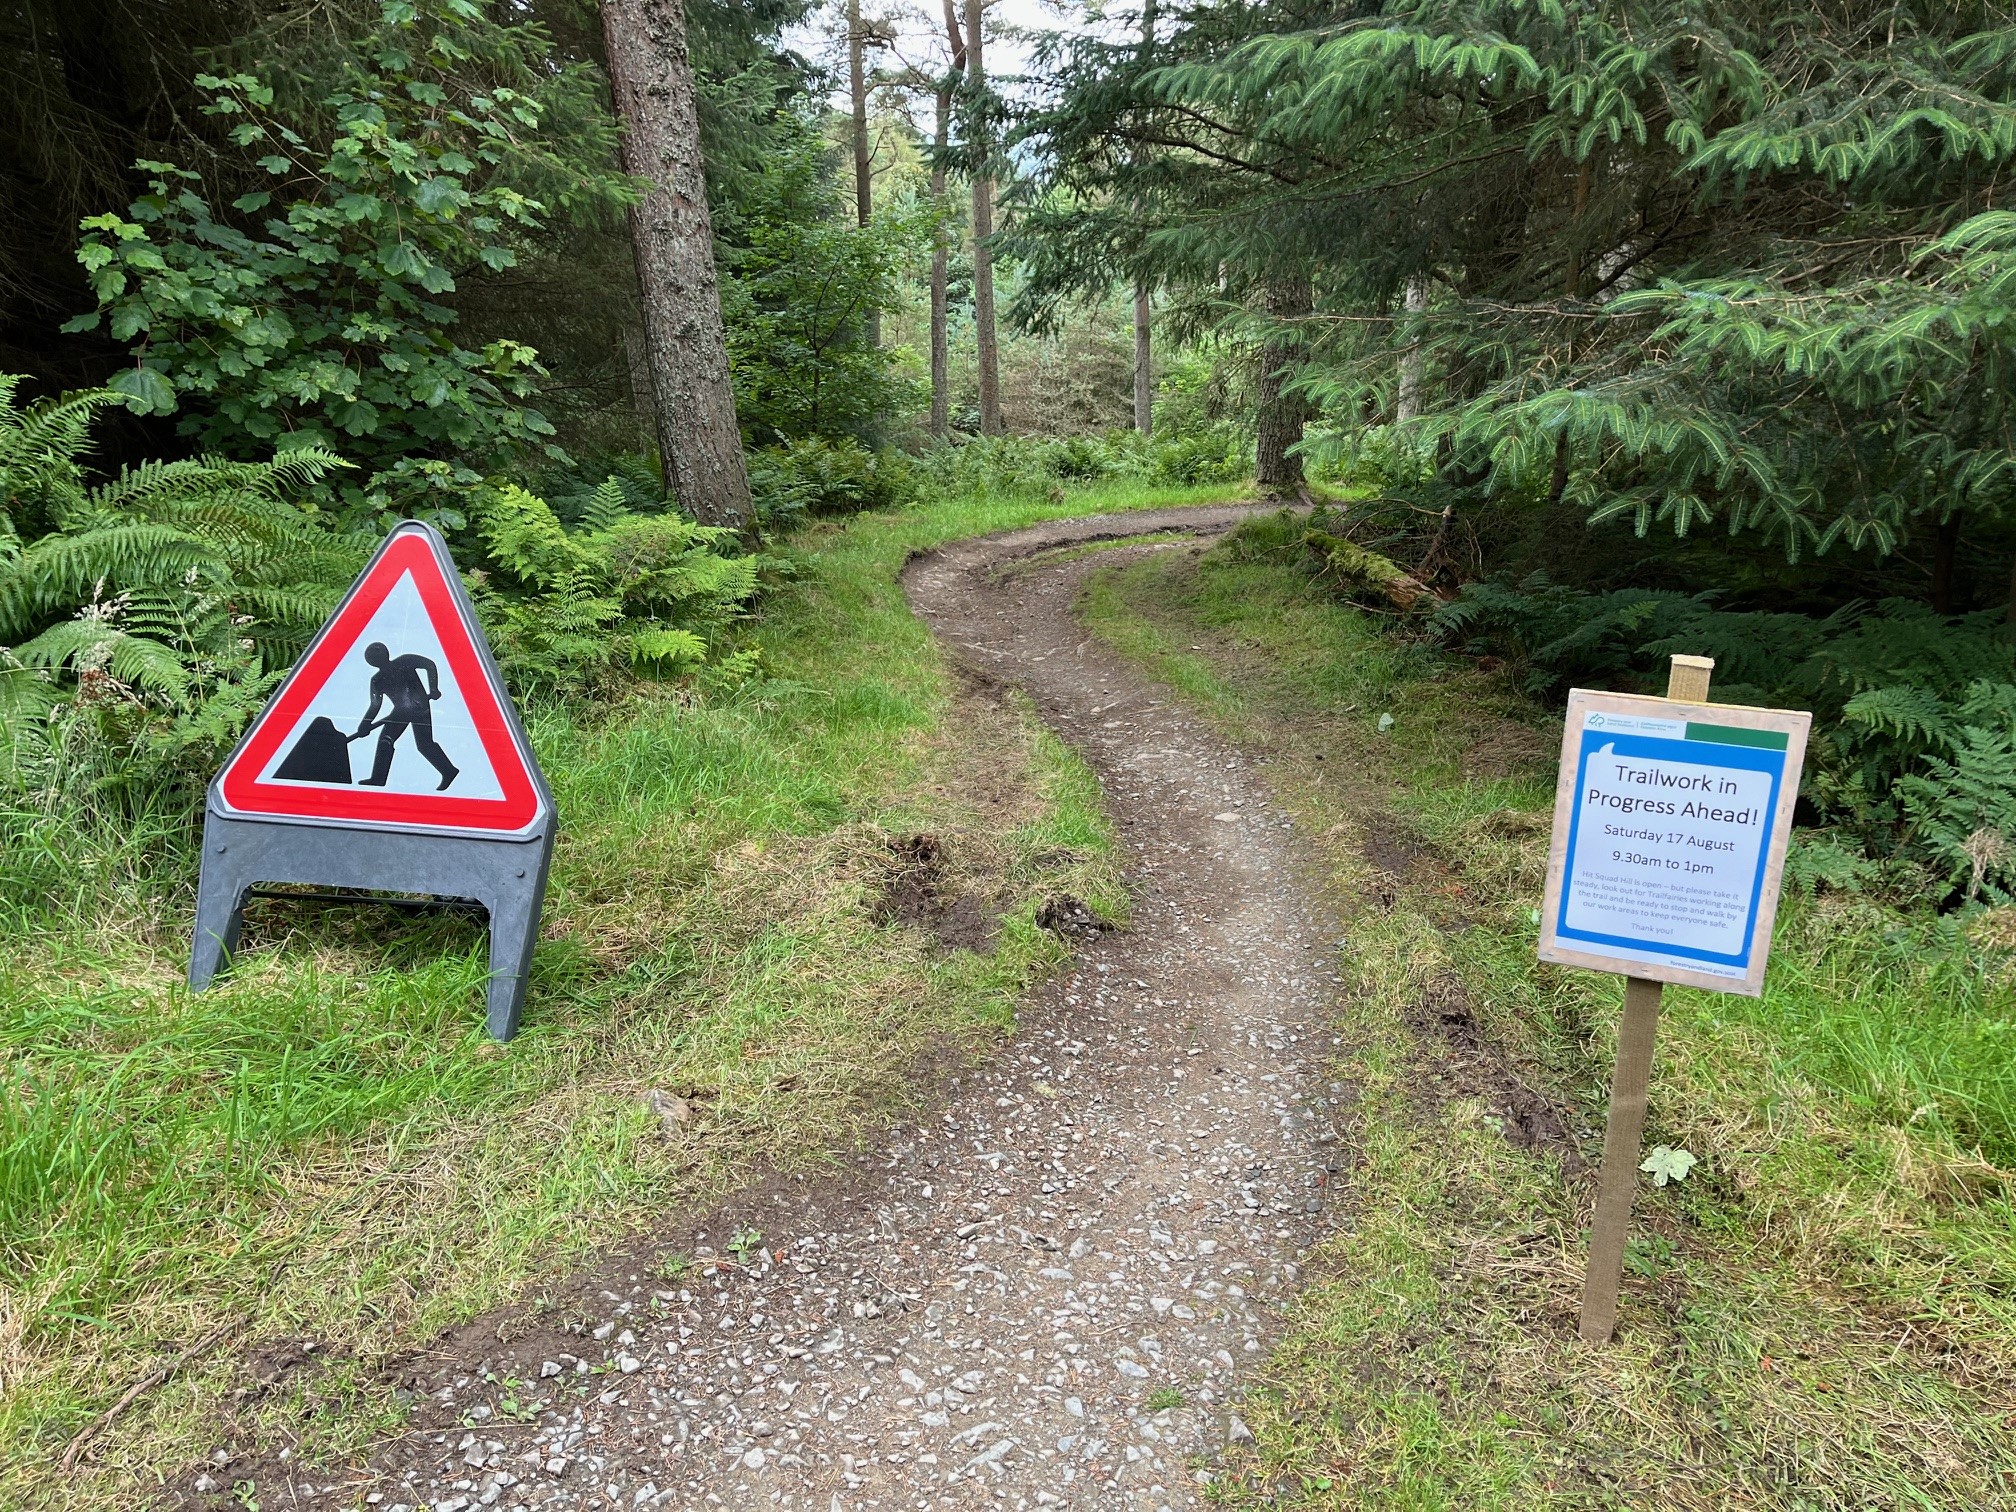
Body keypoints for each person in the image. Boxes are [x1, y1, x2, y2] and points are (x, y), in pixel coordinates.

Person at [354, 642, 459, 790]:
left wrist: (433, 687)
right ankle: (378, 778)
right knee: (386, 741)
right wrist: (364, 724)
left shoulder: (405, 661)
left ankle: (449, 771)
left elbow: (429, 665)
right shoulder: (377, 680)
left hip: (419, 707)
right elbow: (375, 705)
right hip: (400, 712)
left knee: (424, 744)